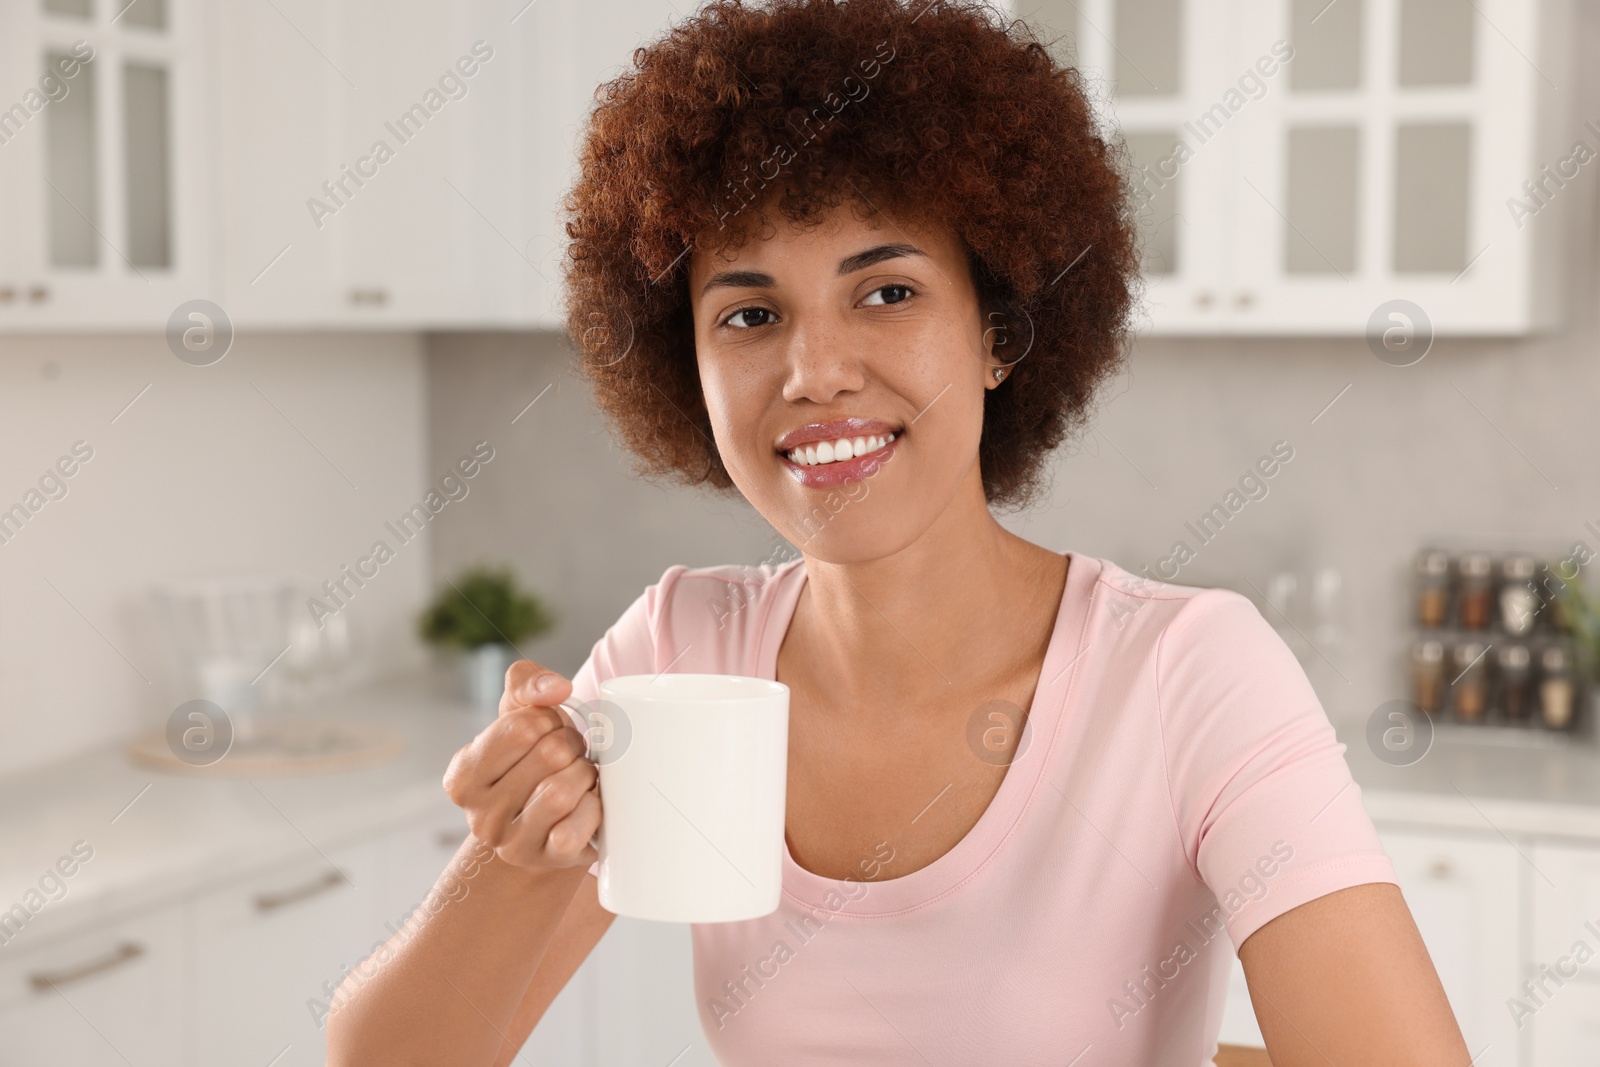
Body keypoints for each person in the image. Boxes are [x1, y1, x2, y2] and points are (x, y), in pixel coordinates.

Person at [327, 0, 1469, 1063]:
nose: (815, 369)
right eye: (750, 313)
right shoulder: (682, 653)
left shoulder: (1185, 673)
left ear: (999, 333)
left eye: (887, 292)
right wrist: (518, 852)